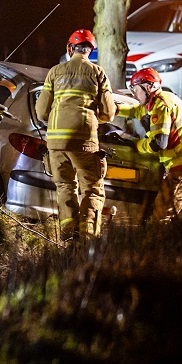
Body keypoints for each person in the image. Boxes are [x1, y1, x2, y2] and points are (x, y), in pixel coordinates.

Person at [35, 29, 117, 240]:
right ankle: (88, 236)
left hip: (55, 142)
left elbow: (42, 111)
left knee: (65, 185)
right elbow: (108, 112)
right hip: (84, 141)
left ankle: (68, 233)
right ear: (90, 51)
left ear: (70, 49)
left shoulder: (54, 71)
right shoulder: (98, 73)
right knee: (92, 188)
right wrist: (94, 117)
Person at [118, 67, 182, 223]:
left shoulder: (160, 106)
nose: (134, 94)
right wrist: (116, 109)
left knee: (161, 216)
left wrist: (138, 145)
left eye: (135, 90)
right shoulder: (166, 98)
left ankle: (157, 245)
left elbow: (159, 143)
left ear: (148, 87)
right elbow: (136, 111)